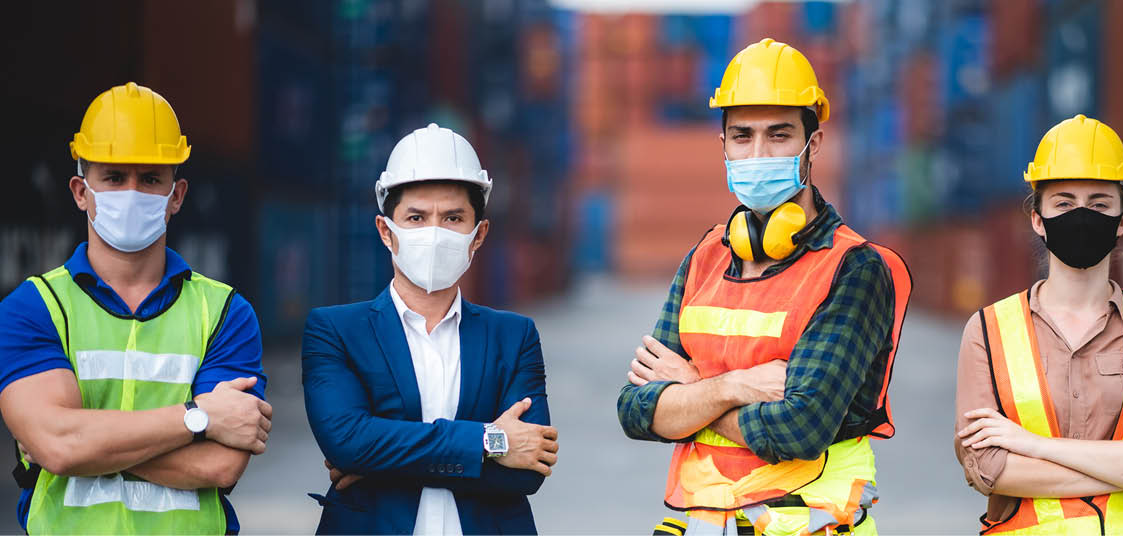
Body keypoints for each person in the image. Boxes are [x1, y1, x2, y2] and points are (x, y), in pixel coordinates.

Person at [616, 38, 912, 536]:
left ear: (811, 145)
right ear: (723, 146)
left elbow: (798, 429)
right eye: (742, 136)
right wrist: (732, 386)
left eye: (779, 136)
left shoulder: (853, 268)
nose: (757, 153)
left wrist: (689, 389)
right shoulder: (705, 258)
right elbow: (636, 410)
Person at [0, 82, 272, 534]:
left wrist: (79, 445)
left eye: (150, 179)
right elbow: (59, 447)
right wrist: (198, 417)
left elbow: (221, 465)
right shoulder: (33, 307)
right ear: (80, 191)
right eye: (113, 176)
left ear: (176, 195)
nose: (132, 192)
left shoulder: (225, 312)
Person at [954, 114, 1123, 534]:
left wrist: (1035, 447)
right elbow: (990, 469)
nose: (1082, 215)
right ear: (1038, 218)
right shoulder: (987, 332)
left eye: (1099, 203)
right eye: (1064, 202)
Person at [302, 123, 558, 535]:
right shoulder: (335, 331)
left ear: (478, 235)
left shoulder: (514, 337)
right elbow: (348, 442)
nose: (434, 232)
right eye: (416, 217)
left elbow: (528, 471)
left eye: (453, 217)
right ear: (387, 230)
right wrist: (491, 442)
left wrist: (380, 458)